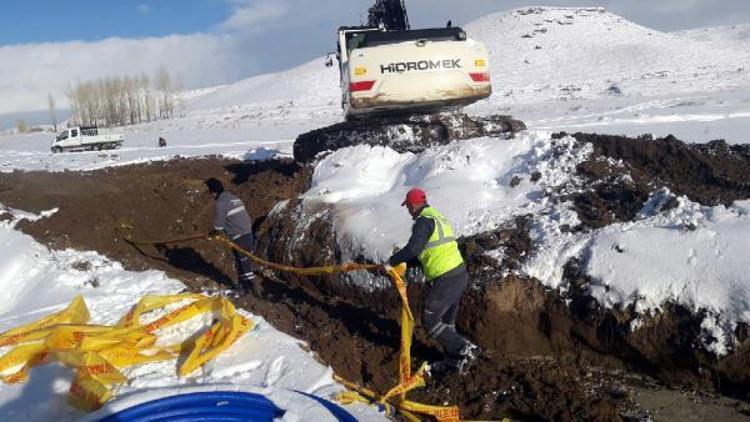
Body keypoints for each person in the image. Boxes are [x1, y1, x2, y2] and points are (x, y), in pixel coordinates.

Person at [386, 188, 475, 377]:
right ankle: (452, 362)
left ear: (413, 204)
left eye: (408, 207)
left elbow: (413, 248)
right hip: (458, 274)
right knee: (446, 322)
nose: (408, 211)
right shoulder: (437, 217)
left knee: (430, 320)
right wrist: (410, 263)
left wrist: (391, 262)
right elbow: (431, 249)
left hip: (446, 278)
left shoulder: (423, 221)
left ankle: (463, 350)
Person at [205, 177, 259, 295]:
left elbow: (218, 225)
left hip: (239, 237)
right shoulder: (234, 198)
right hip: (248, 234)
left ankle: (251, 292)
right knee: (242, 263)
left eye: (210, 192)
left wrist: (214, 233)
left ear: (214, 191)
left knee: (243, 264)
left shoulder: (221, 203)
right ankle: (243, 289)